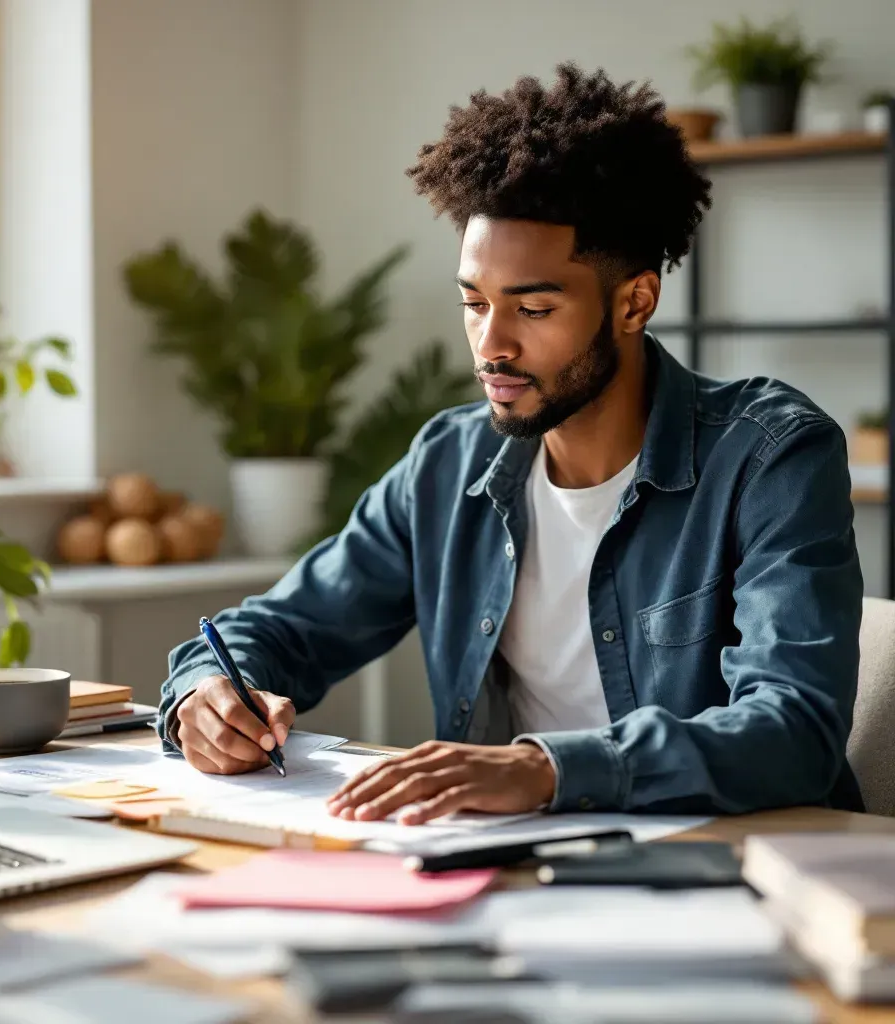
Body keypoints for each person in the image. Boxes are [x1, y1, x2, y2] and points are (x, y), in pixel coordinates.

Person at [157, 63, 865, 821]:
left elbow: (793, 730)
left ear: (634, 302)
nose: (490, 345)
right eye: (474, 303)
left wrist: (545, 769)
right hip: (515, 867)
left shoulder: (770, 458)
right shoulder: (447, 464)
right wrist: (205, 693)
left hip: (727, 868)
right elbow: (284, 628)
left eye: (531, 309)